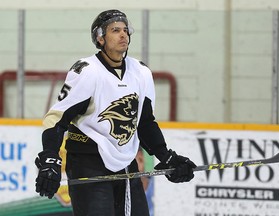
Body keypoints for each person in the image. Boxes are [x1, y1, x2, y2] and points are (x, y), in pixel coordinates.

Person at [35, 9, 197, 216]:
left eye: (126, 30)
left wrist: (166, 156)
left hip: (126, 164)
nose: (123, 35)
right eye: (115, 30)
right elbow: (56, 120)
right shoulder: (87, 71)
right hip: (88, 162)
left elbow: (145, 122)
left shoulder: (141, 72)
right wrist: (50, 158)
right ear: (100, 38)